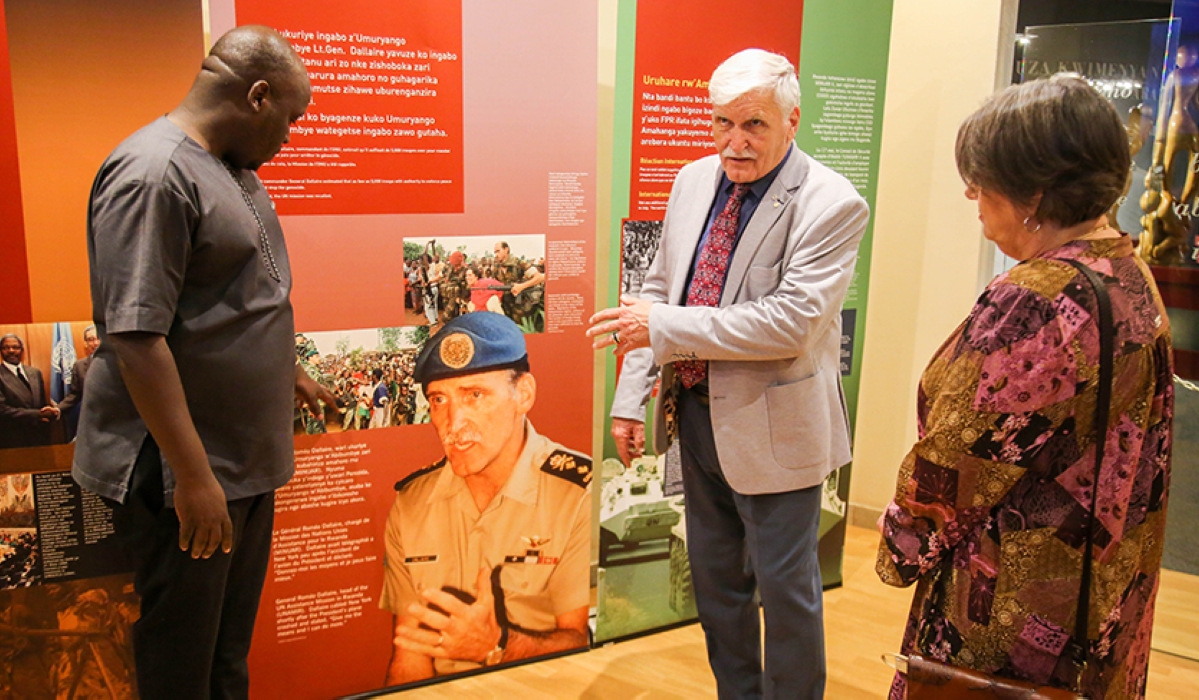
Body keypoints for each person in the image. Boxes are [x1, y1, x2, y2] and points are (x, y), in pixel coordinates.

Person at [876, 75, 1173, 700]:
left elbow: (956, 461)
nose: (971, 195)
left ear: (1033, 194)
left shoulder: (1035, 299)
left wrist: (901, 543)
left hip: (1013, 604)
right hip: (1101, 592)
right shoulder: (1125, 270)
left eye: (982, 181)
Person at [587, 48, 868, 699]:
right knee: (717, 590)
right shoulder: (692, 180)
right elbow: (657, 292)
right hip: (695, 420)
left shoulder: (831, 203)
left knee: (786, 596)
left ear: (792, 120)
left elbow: (789, 324)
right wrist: (630, 398)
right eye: (722, 123)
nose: (734, 142)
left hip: (777, 433)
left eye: (754, 125)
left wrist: (663, 326)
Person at [72, 26, 336, 700]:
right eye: (290, 119)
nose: (290, 138)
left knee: (224, 655)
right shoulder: (154, 175)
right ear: (256, 96)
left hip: (240, 462)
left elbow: (236, 296)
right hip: (186, 473)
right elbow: (136, 338)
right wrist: (193, 478)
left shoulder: (231, 168)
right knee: (181, 663)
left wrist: (289, 372)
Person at [380, 312, 591, 686]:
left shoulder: (577, 495)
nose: (454, 422)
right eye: (439, 399)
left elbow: (585, 646)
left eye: (474, 395)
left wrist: (496, 646)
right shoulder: (412, 504)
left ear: (523, 394)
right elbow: (410, 656)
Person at [0, 333, 59, 448]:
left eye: (15, 347)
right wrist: (37, 414)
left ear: (22, 350)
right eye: (6, 348)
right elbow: (2, 410)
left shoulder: (35, 373)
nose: (11, 351)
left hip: (39, 437)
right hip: (12, 439)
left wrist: (49, 413)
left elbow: (42, 403)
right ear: (1, 351)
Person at [56, 326, 101, 438]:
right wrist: (57, 409)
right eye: (91, 339)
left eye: (98, 338)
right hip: (91, 419)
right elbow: (74, 395)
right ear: (86, 343)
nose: (95, 343)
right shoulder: (79, 366)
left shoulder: (118, 362)